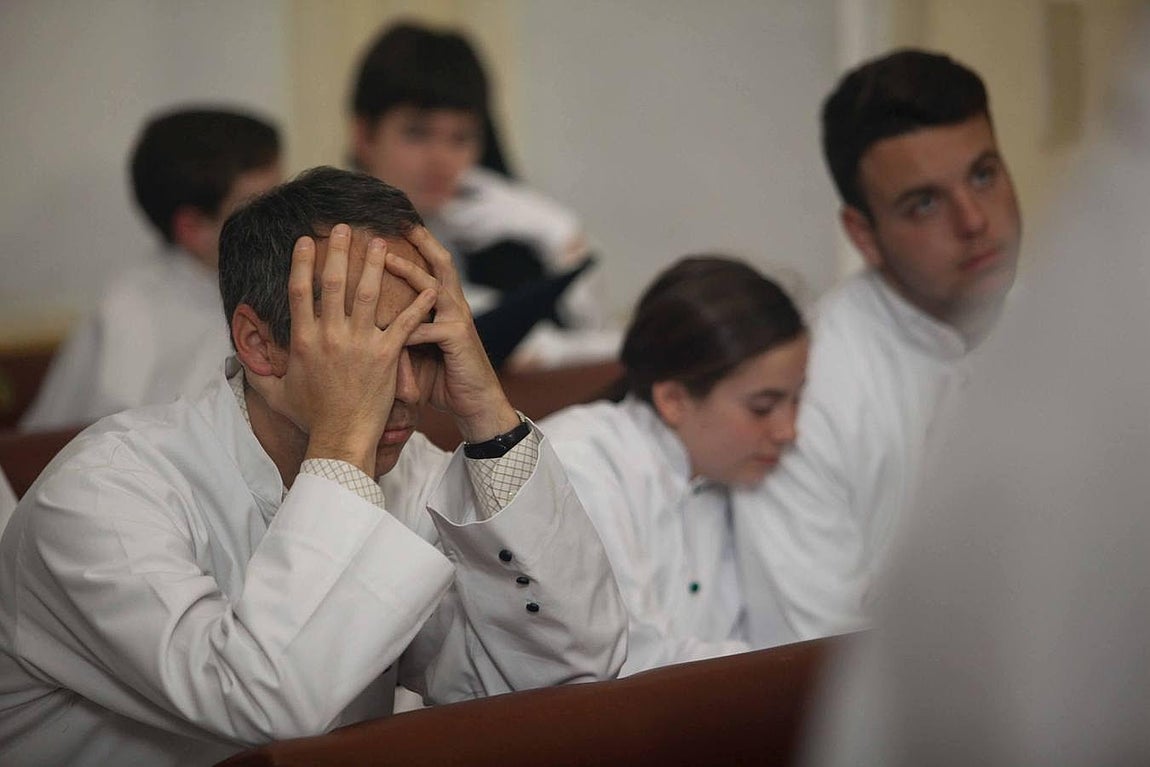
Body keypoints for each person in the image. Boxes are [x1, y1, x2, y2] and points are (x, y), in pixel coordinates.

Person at [0, 167, 627, 767]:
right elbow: (263, 705)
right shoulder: (102, 494)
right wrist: (345, 442)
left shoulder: (405, 469)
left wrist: (490, 417)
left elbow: (569, 672)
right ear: (259, 345)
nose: (409, 389)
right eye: (367, 347)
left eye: (421, 343)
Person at [732, 49, 1023, 646]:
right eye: (925, 203)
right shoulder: (805, 401)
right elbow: (812, 658)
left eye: (983, 175)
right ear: (863, 234)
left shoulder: (1072, 324)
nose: (974, 221)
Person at [539, 256, 808, 675]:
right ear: (673, 400)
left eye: (797, 400)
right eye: (763, 407)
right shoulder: (578, 466)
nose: (788, 431)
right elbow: (624, 662)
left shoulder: (728, 468)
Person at [349, 21, 620, 368]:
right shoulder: (337, 238)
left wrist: (558, 232)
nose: (441, 159)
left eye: (461, 137)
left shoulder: (487, 234)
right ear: (364, 135)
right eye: (417, 133)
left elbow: (595, 332)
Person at [20, 108, 283, 431]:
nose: (282, 222)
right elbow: (109, 439)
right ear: (192, 228)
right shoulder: (128, 315)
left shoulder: (275, 280)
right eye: (259, 209)